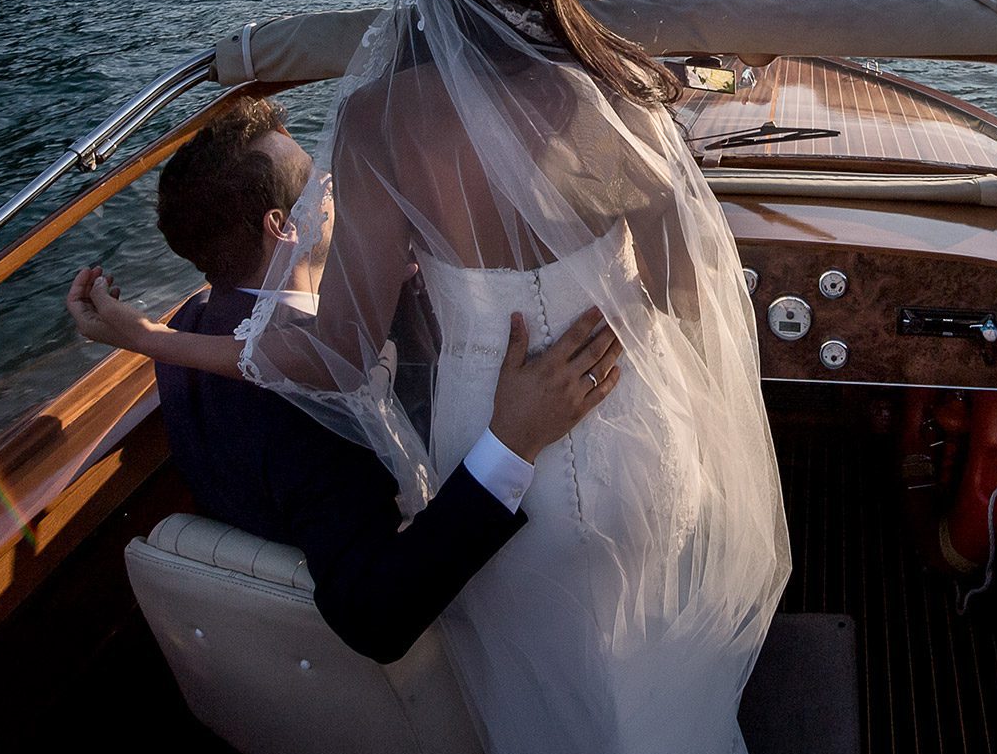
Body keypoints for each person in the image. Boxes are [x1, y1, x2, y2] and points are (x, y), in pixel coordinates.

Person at [235, 0, 794, 754]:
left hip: (497, 460)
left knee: (556, 738)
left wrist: (250, 336)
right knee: (653, 723)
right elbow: (682, 292)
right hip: (632, 436)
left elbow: (344, 344)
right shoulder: (612, 88)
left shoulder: (374, 120)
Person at [65, 96, 621, 664]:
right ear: (282, 227)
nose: (333, 185)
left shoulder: (184, 332)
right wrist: (513, 439)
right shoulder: (304, 408)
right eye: (314, 181)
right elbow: (375, 615)